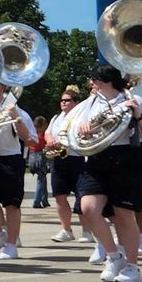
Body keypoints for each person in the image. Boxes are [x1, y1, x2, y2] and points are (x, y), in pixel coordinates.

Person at [73, 66, 142, 282]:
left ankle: (133, 267)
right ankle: (114, 255)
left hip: (126, 159)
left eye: (93, 79)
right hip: (97, 157)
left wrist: (138, 115)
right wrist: (83, 128)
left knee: (123, 216)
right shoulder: (89, 103)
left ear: (105, 81)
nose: (91, 84)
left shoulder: (134, 100)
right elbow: (75, 130)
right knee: (88, 209)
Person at [0, 83, 35, 261]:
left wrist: (15, 116)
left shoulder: (15, 108)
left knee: (11, 204)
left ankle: (11, 245)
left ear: (2, 86)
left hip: (9, 158)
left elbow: (29, 140)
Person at [46, 87, 86, 242]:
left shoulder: (81, 117)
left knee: (81, 196)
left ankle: (87, 231)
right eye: (62, 100)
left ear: (76, 102)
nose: (63, 103)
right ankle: (66, 229)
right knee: (59, 195)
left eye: (67, 100)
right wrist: (49, 140)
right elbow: (48, 132)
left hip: (77, 158)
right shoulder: (57, 117)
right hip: (59, 159)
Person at [29, 115, 52, 210]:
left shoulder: (32, 132)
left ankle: (45, 200)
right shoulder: (42, 134)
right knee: (41, 179)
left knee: (43, 179)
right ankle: (37, 201)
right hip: (40, 156)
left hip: (31, 156)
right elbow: (45, 145)